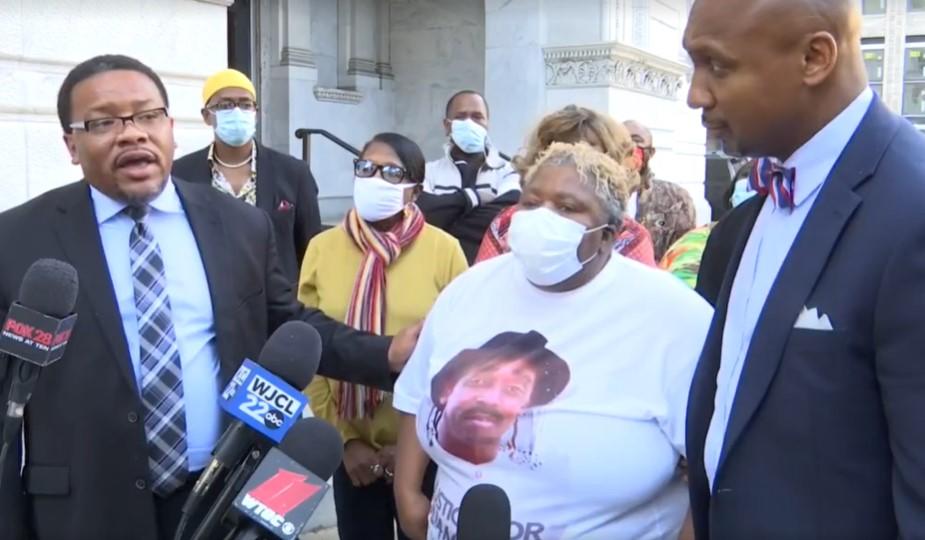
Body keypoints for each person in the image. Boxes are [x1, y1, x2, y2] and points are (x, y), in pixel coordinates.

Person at [0, 54, 419, 540]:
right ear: (72, 145)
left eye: (148, 115)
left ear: (171, 129)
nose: (132, 133)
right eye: (104, 122)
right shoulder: (18, 239)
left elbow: (286, 322)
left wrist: (385, 352)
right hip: (85, 506)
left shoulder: (241, 225)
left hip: (225, 495)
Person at [683, 1, 925, 538]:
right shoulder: (757, 205)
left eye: (717, 66)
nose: (695, 94)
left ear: (815, 57)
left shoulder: (912, 210)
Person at [393, 142, 713, 540]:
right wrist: (407, 495)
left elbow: (715, 467)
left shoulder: (675, 318)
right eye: (531, 202)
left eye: (566, 207)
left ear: (608, 235)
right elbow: (414, 394)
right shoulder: (470, 289)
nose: (542, 218)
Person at [301, 132, 467, 540]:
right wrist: (344, 442)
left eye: (392, 172)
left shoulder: (444, 251)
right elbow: (311, 347)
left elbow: (461, 356)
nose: (375, 178)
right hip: (353, 454)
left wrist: (413, 451)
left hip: (426, 452)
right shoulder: (323, 248)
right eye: (366, 168)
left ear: (415, 191)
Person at [172, 69, 322, 283]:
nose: (236, 111)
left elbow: (311, 248)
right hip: (211, 298)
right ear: (206, 116)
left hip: (277, 302)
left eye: (245, 104)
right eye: (224, 105)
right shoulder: (181, 173)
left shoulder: (293, 173)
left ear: (256, 112)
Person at [475, 105, 657, 267]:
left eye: (587, 151)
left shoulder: (630, 236)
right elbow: (485, 287)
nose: (572, 162)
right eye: (562, 150)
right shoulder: (507, 224)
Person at [416, 90, 520, 263]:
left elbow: (505, 218)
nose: (469, 123)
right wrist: (473, 197)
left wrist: (447, 220)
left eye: (477, 117)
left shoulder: (509, 171)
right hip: (437, 268)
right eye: (461, 116)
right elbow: (422, 216)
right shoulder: (426, 172)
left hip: (491, 271)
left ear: (487, 124)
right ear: (447, 125)